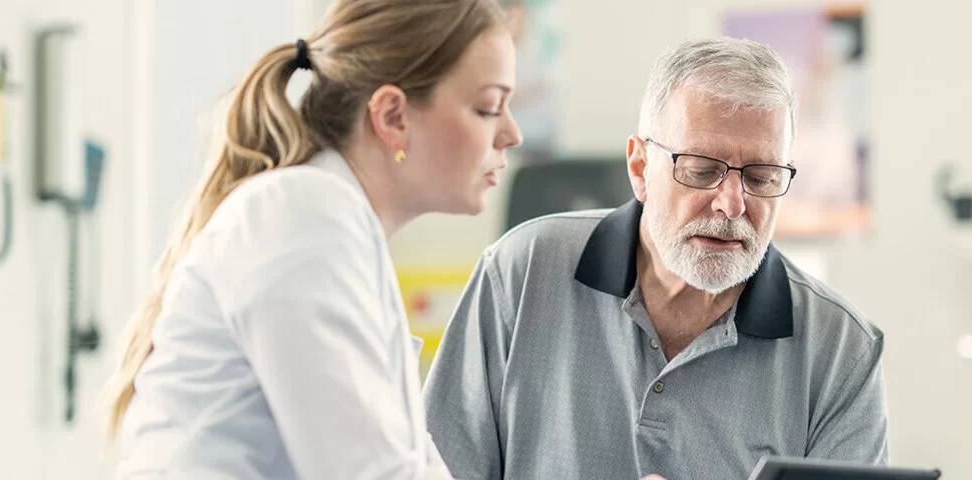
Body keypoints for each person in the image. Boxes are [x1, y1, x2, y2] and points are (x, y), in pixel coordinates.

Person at [423, 37, 889, 480]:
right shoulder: (520, 274)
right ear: (640, 168)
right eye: (702, 171)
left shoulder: (842, 351)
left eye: (762, 177)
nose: (732, 205)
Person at [102, 0, 524, 478]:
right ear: (392, 116)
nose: (512, 133)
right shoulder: (304, 218)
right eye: (489, 107)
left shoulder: (333, 223)